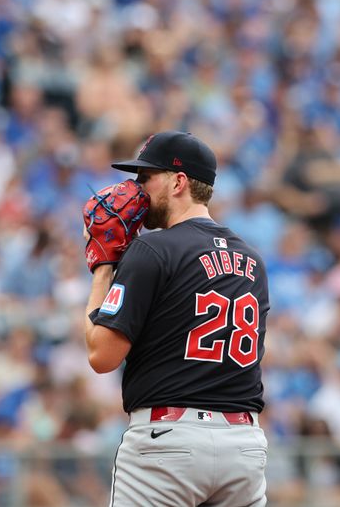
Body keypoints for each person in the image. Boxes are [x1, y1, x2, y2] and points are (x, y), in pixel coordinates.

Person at [83, 131, 270, 506]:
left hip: (169, 444)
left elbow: (101, 356)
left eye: (146, 177)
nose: (136, 189)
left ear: (178, 181)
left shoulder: (153, 249)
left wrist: (104, 269)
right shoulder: (252, 260)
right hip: (244, 447)